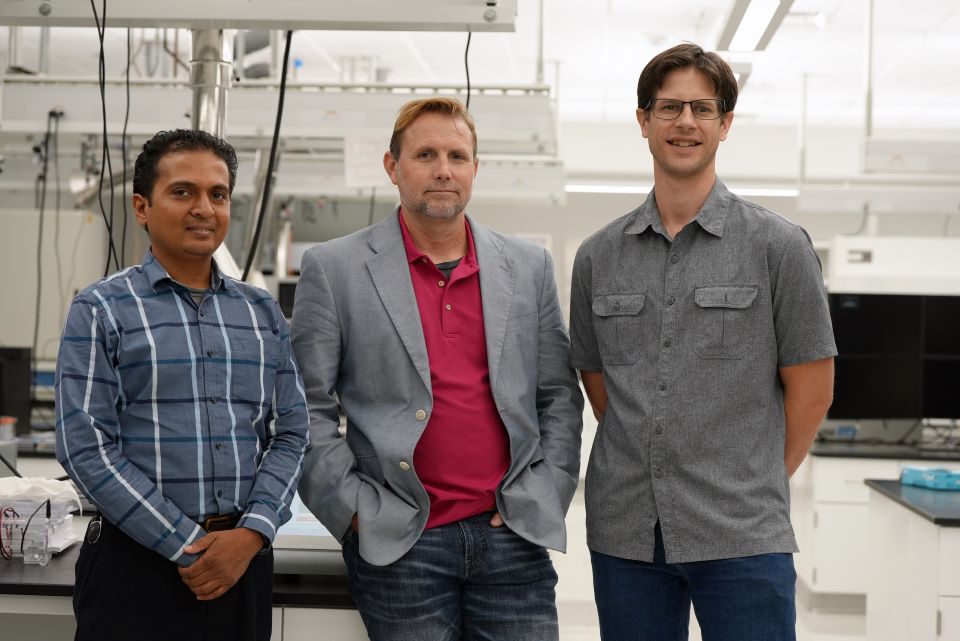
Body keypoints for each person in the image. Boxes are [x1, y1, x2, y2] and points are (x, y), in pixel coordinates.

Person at [569, 43, 837, 641]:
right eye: (668, 108)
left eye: (702, 108)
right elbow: (599, 383)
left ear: (724, 124)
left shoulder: (779, 247)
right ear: (643, 121)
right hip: (627, 532)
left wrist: (754, 477)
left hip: (743, 532)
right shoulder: (597, 256)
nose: (685, 122)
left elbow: (813, 389)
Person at [291, 97, 583, 641]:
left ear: (475, 168)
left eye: (457, 155)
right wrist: (353, 510)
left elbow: (558, 396)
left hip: (512, 537)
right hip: (401, 539)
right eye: (425, 154)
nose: (443, 168)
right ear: (392, 166)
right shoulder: (335, 269)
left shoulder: (528, 267)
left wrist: (547, 492)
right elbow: (304, 406)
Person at [56, 129, 309, 641]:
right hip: (137, 565)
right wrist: (186, 545)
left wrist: (254, 532)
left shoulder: (261, 314)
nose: (204, 208)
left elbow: (293, 433)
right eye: (183, 192)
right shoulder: (101, 309)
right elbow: (85, 447)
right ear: (142, 207)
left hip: (243, 565)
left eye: (218, 194)